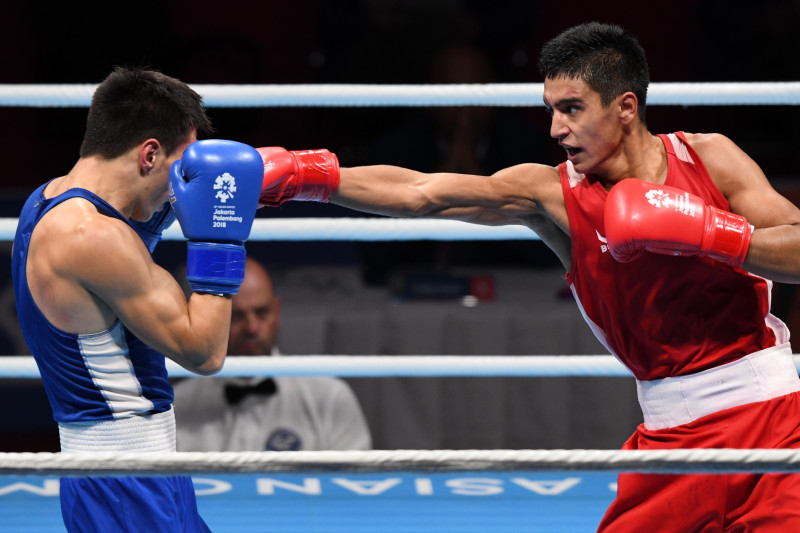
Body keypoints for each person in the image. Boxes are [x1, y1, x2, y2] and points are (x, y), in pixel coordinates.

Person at [251, 22, 800, 532]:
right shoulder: (552, 194)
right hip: (672, 435)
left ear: (625, 107)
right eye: (550, 109)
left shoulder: (709, 158)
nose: (556, 128)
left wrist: (712, 233)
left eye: (572, 109)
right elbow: (423, 192)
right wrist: (309, 175)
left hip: (777, 419)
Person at [11, 67, 264, 532]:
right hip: (127, 482)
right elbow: (204, 351)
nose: (181, 184)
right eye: (180, 167)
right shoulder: (93, 238)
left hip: (131, 471)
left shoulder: (45, 201)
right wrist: (219, 234)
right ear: (150, 153)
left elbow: (124, 255)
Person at [173, 257, 371, 451]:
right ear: (211, 318)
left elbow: (357, 482)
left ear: (277, 311)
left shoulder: (329, 397)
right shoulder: (179, 405)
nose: (252, 328)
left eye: (262, 313)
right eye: (237, 316)